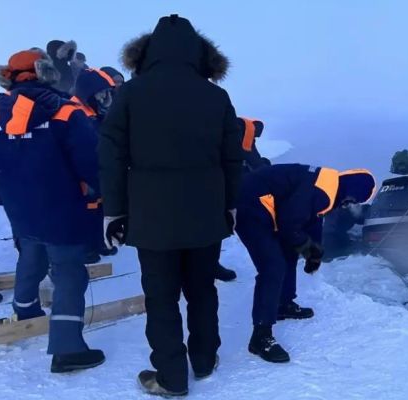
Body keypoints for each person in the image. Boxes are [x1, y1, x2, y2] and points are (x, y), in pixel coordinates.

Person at [99, 15, 242, 397]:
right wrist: (230, 206)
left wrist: (114, 210)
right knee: (202, 289)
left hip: (151, 215)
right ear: (199, 54)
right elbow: (233, 158)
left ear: (146, 53)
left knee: (161, 297)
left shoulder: (131, 93)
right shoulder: (216, 96)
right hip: (206, 213)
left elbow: (111, 154)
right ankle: (205, 359)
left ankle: (171, 377)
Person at [0, 48, 105, 373]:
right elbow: (91, 164)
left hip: (21, 209)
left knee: (31, 255)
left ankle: (24, 310)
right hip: (63, 210)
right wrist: (98, 193)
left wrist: (4, 198)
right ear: (48, 74)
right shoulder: (65, 112)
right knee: (68, 274)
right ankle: (67, 348)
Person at [236, 164, 375, 363]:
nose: (348, 206)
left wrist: (314, 252)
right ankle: (261, 336)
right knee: (272, 266)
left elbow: (312, 219)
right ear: (350, 194)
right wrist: (309, 249)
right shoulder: (321, 190)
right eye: (352, 201)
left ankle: (283, 304)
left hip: (266, 205)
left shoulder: (327, 184)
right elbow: (290, 224)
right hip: (249, 206)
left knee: (289, 251)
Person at [213, 117, 271, 283]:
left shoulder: (238, 127)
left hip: (218, 176)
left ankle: (209, 264)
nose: (256, 139)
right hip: (219, 181)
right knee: (217, 224)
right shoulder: (245, 132)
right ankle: (209, 266)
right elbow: (252, 157)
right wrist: (267, 172)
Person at [72, 68, 118, 262]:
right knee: (86, 210)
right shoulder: (75, 113)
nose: (106, 98)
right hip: (82, 174)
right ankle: (85, 248)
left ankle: (100, 242)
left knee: (99, 207)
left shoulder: (94, 113)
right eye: (103, 93)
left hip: (98, 169)